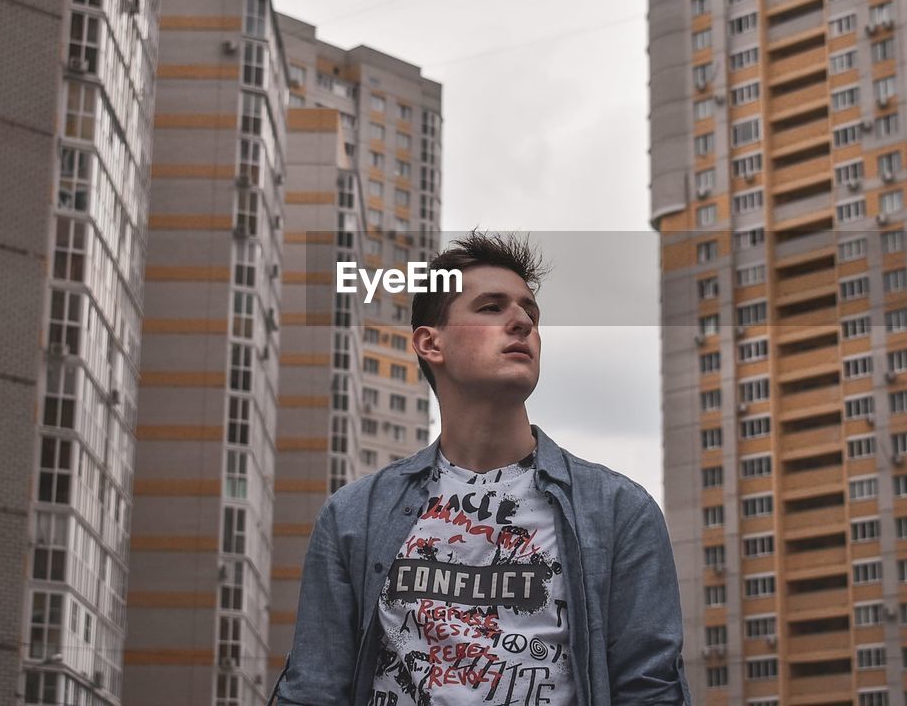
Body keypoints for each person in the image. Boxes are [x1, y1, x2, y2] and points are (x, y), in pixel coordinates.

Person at [276, 232, 689, 705]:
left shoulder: (619, 512)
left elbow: (650, 689)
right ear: (431, 343)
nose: (520, 322)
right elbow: (314, 688)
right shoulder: (354, 516)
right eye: (491, 308)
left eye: (529, 313)